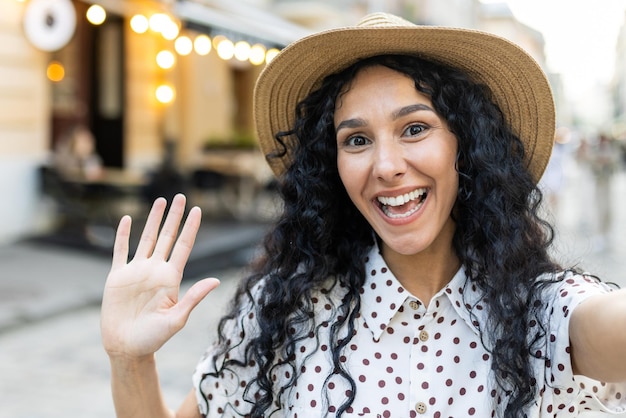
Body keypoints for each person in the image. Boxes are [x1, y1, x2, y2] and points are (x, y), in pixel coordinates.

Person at [100, 13, 626, 418]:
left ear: (465, 146)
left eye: (415, 128)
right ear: (332, 166)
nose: (387, 166)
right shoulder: (284, 314)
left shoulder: (541, 312)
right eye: (356, 139)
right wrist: (129, 359)